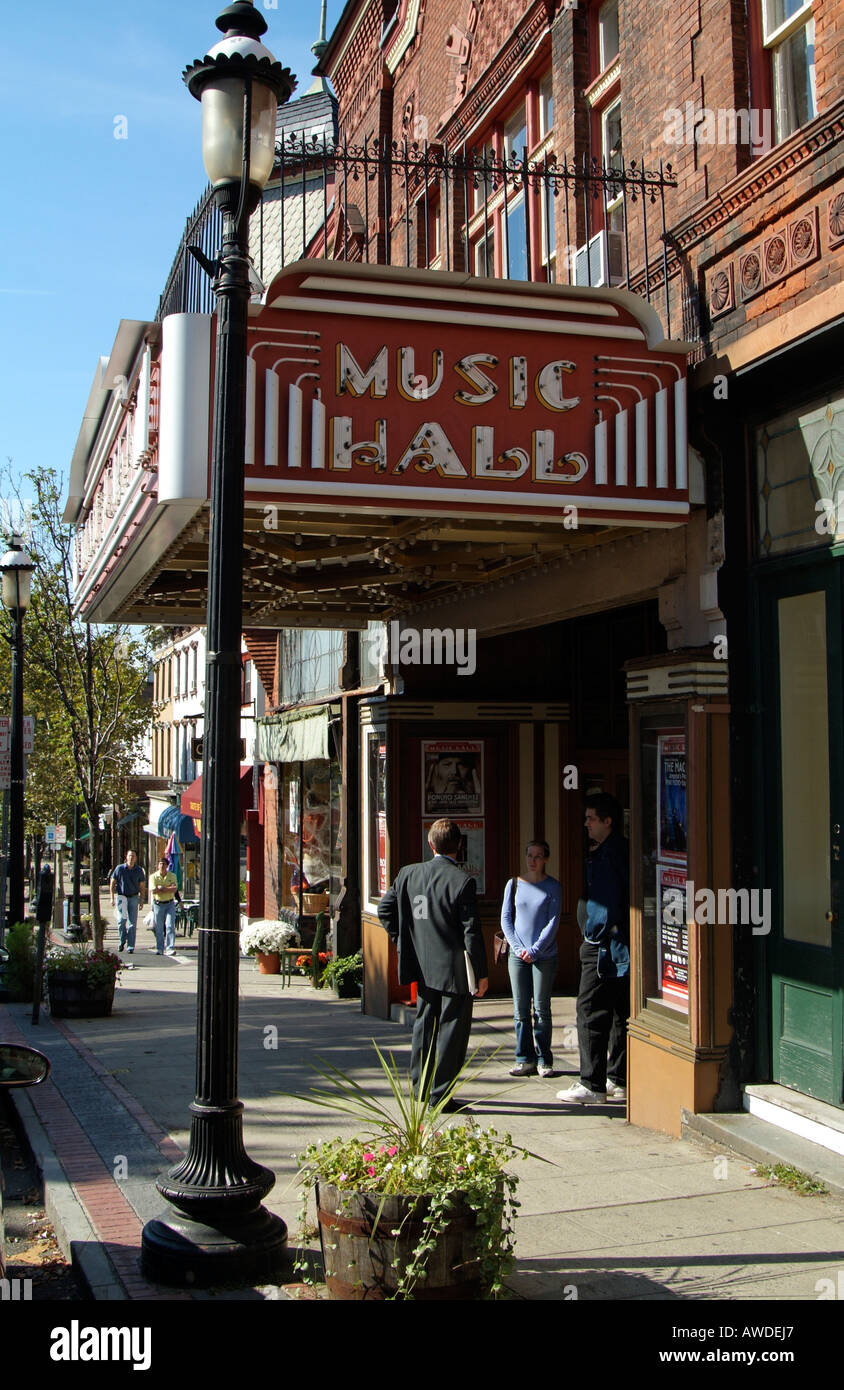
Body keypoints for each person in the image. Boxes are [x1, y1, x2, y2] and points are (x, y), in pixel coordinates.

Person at [377, 817, 488, 1111]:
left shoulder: (407, 875)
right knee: (452, 1031)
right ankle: (440, 1094)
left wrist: (402, 938)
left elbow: (384, 909)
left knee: (424, 1026)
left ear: (430, 844)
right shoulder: (463, 881)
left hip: (423, 966)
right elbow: (471, 932)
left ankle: (420, 1088)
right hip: (454, 971)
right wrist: (481, 973)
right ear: (460, 845)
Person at [558, 793, 630, 1106]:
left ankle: (592, 1083)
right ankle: (618, 1078)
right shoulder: (618, 850)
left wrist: (592, 936)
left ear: (607, 821)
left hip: (604, 948)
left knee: (589, 1011)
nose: (586, 824)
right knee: (619, 1013)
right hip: (620, 948)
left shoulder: (608, 855)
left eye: (591, 818)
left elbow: (605, 903)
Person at [500, 840, 562, 1078]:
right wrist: (518, 948)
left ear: (546, 859)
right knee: (520, 1009)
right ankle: (523, 1057)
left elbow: (553, 922)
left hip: (544, 955)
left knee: (542, 1008)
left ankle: (544, 1059)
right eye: (529, 855)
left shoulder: (553, 886)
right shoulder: (513, 884)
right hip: (518, 955)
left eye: (538, 856)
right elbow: (506, 918)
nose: (533, 860)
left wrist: (534, 950)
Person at [110, 848, 146, 954]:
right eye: (130, 855)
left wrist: (142, 900)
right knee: (121, 921)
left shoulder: (139, 870)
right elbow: (112, 883)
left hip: (134, 897)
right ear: (126, 857)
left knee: (132, 923)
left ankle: (130, 946)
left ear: (136, 858)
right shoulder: (119, 869)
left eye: (133, 856)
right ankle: (122, 940)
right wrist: (112, 897)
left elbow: (142, 886)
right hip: (121, 897)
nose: (131, 858)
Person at [150, 856, 182, 957]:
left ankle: (170, 948)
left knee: (169, 926)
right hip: (158, 904)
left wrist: (162, 888)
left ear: (167, 866)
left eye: (164, 864)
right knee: (159, 928)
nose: (162, 866)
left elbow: (174, 889)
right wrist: (167, 889)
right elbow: (153, 890)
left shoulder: (172, 876)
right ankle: (160, 948)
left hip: (169, 904)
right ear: (157, 865)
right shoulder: (153, 877)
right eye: (160, 864)